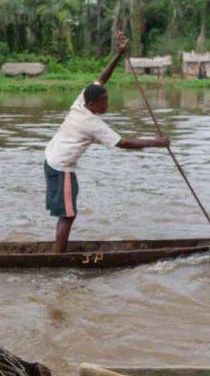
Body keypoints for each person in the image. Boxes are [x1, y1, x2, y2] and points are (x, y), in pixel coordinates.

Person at [44, 31, 171, 253]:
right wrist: (157, 143)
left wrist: (119, 54)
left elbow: (102, 78)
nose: (107, 106)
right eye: (104, 103)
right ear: (92, 104)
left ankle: (57, 252)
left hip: (52, 159)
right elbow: (123, 143)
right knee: (68, 214)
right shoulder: (91, 123)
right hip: (60, 166)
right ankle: (56, 257)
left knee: (67, 212)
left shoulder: (81, 99)